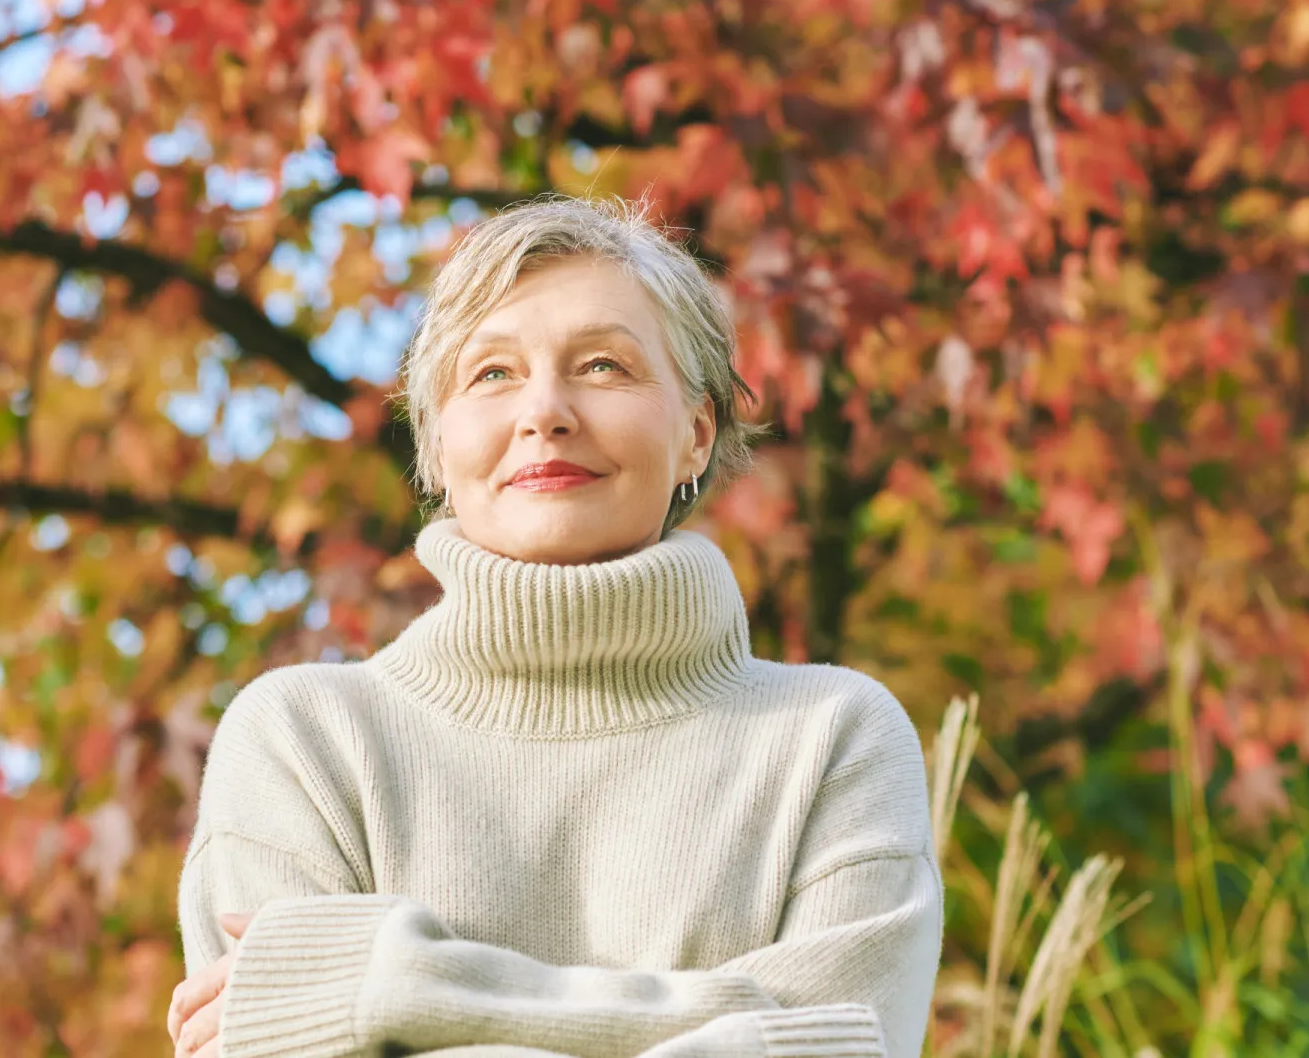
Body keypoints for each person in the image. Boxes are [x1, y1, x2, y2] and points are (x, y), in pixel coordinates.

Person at [164, 196, 942, 1058]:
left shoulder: (834, 739)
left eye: (604, 366)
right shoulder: (304, 744)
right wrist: (731, 1028)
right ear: (436, 449)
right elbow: (810, 1044)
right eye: (492, 374)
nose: (545, 411)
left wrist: (405, 989)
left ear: (695, 431)